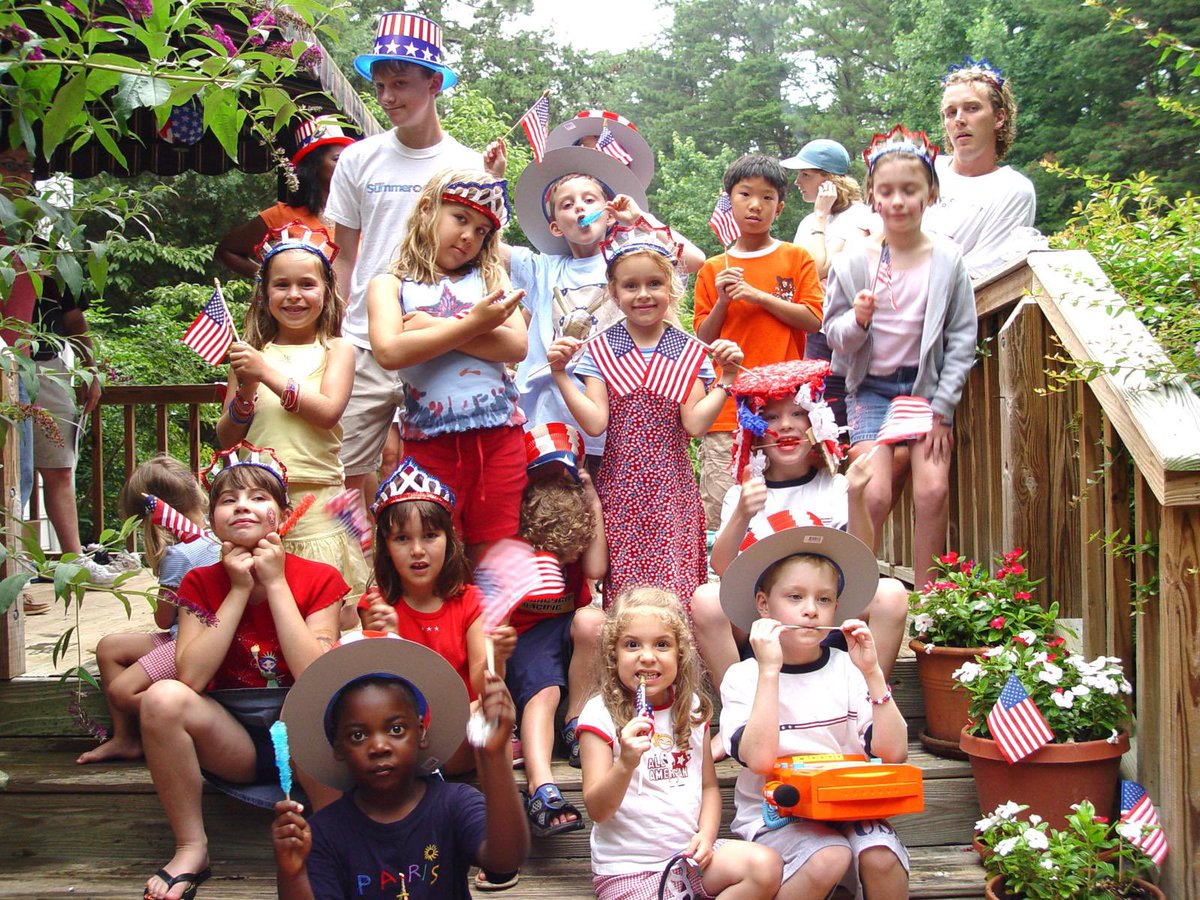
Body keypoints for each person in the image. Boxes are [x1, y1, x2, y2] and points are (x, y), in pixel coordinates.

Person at [140, 442, 346, 900]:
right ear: (211, 518)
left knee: (310, 702)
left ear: (284, 513)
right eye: (228, 500)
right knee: (161, 697)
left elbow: (316, 671)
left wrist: (274, 583)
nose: (242, 507)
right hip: (232, 736)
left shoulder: (319, 577)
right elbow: (189, 677)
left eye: (258, 497)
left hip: (304, 735)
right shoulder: (199, 581)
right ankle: (192, 846)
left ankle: (336, 836)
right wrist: (236, 591)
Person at [324, 11, 505, 504]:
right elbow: (342, 256)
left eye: (400, 83)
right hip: (364, 340)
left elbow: (486, 257)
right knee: (338, 475)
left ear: (434, 83)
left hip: (445, 340)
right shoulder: (358, 159)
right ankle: (355, 577)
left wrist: (494, 186)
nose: (387, 97)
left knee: (448, 476)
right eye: (380, 85)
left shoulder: (467, 165)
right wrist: (332, 333)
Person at [688, 360, 909, 757]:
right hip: (763, 613)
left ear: (816, 425)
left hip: (824, 609)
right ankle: (738, 715)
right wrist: (741, 515)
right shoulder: (745, 492)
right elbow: (723, 567)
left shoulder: (834, 485)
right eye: (772, 416)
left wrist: (857, 497)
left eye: (797, 414)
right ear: (755, 432)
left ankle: (867, 706)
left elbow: (863, 559)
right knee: (705, 598)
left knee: (892, 593)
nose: (786, 425)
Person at [547, 221, 743, 615]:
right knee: (625, 590)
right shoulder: (601, 350)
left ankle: (681, 670)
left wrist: (728, 379)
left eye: (654, 283)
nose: (643, 294)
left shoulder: (687, 351)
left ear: (671, 288)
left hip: (672, 490)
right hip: (621, 489)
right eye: (630, 286)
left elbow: (695, 424)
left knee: (676, 587)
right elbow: (596, 422)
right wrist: (560, 376)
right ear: (614, 294)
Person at [718, 523, 909, 899]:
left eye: (824, 600)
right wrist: (770, 670)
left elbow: (894, 753)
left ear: (837, 608)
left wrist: (872, 674)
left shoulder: (848, 669)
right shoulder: (743, 677)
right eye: (795, 597)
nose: (810, 611)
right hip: (776, 816)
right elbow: (758, 759)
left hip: (848, 805)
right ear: (763, 604)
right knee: (828, 857)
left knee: (881, 856)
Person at [824, 125, 977, 586]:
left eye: (909, 190)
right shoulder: (854, 261)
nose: (898, 202)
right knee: (872, 492)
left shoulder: (947, 258)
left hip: (924, 391)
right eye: (886, 191)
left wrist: (943, 410)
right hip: (870, 389)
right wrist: (860, 320)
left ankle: (932, 602)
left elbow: (961, 336)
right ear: (871, 195)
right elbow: (834, 334)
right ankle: (855, 595)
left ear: (930, 193)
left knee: (933, 491)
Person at [271, 635, 529, 899]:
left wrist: (495, 757)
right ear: (338, 747)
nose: (379, 746)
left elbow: (505, 860)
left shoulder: (454, 804)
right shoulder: (325, 833)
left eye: (396, 729)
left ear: (421, 732)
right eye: (358, 735)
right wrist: (293, 873)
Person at [507, 134, 705, 472]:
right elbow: (487, 248)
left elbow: (695, 260)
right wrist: (491, 178)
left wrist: (640, 218)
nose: (580, 208)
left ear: (609, 214)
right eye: (567, 205)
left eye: (589, 199)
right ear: (555, 226)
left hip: (617, 413)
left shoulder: (627, 259)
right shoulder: (542, 269)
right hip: (551, 417)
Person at [578, 587, 784, 899]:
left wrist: (706, 834)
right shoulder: (599, 714)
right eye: (632, 645)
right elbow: (597, 809)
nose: (647, 656)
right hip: (629, 869)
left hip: (688, 858)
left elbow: (709, 788)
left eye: (662, 645)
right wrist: (626, 764)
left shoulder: (693, 709)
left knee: (765, 866)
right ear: (613, 655)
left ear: (680, 654)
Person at [366, 171, 527, 558]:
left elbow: (516, 345)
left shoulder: (490, 274)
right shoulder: (390, 285)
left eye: (483, 231)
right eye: (460, 219)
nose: (470, 235)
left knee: (495, 546)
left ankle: (490, 620)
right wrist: (476, 325)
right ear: (427, 209)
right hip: (429, 443)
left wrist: (434, 328)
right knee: (437, 548)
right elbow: (390, 351)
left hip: (499, 438)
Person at [216, 221, 368, 614]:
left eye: (307, 284)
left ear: (326, 291)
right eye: (281, 285)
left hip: (317, 500)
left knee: (320, 605)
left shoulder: (337, 350)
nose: (294, 295)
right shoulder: (250, 354)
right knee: (265, 607)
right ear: (264, 293)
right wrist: (246, 392)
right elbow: (227, 437)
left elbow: (328, 411)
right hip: (259, 501)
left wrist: (265, 373)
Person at [357, 457, 515, 776]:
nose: (418, 550)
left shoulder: (470, 600)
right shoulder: (376, 605)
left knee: (488, 707)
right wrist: (385, 641)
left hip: (460, 731)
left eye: (430, 536)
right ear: (386, 548)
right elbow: (376, 690)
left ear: (449, 540)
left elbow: (481, 683)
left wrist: (495, 656)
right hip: (400, 731)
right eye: (402, 539)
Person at [693, 155, 823, 529]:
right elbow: (702, 339)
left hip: (785, 409)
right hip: (728, 407)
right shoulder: (714, 268)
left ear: (779, 207)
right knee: (724, 509)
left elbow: (814, 320)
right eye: (745, 194)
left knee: (788, 506)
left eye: (766, 197)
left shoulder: (796, 257)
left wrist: (757, 295)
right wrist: (723, 300)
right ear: (728, 200)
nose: (755, 205)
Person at [77, 455, 221, 765]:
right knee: (110, 648)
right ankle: (126, 739)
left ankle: (194, 715)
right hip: (190, 635)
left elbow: (163, 617)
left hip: (191, 643)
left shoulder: (179, 556)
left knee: (121, 692)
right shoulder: (220, 535)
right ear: (197, 493)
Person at [507, 424, 607, 839]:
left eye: (566, 475)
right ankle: (541, 786)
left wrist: (593, 503)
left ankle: (576, 717)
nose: (557, 484)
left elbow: (597, 570)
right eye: (546, 476)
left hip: (567, 630)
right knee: (543, 693)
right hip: (526, 638)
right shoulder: (520, 531)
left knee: (594, 620)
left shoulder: (576, 517)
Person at [923, 57, 1036, 280]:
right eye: (950, 112)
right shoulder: (922, 170)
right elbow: (874, 236)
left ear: (999, 117)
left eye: (972, 108)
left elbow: (981, 271)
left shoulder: (1013, 190)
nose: (959, 120)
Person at [214, 117, 355, 278]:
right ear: (313, 166)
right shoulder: (280, 216)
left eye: (348, 159)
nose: (346, 165)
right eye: (337, 159)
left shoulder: (360, 217)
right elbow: (227, 251)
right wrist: (270, 279)